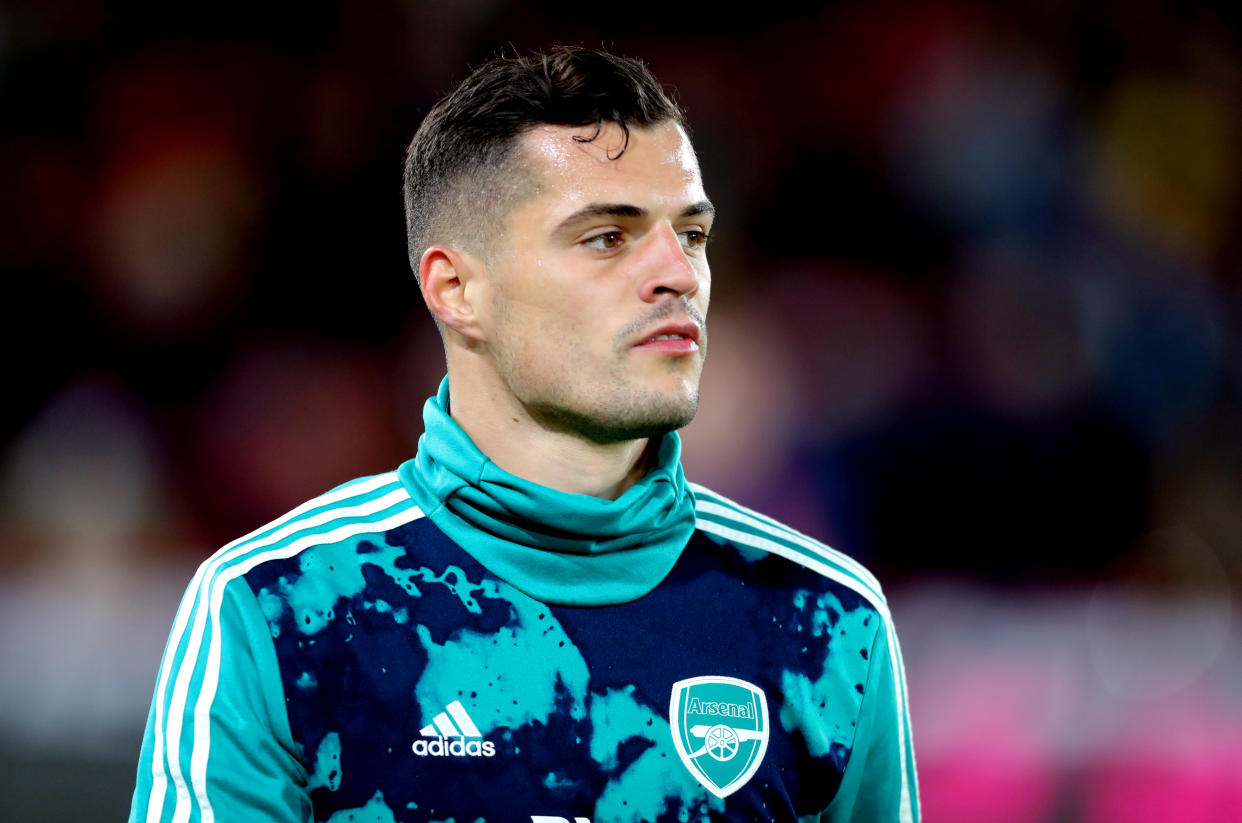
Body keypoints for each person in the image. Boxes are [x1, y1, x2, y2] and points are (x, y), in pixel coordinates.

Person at [129, 46, 919, 823]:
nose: (676, 273)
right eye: (608, 237)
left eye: (692, 235)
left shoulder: (824, 618)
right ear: (457, 289)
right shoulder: (282, 608)